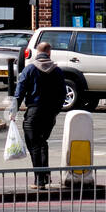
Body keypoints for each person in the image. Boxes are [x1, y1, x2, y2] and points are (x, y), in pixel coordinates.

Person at [14, 41, 66, 188]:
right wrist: (56, 110)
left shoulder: (29, 69)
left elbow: (19, 93)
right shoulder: (57, 71)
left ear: (37, 52)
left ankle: (40, 179)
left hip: (34, 111)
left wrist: (13, 112)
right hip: (50, 112)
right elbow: (63, 94)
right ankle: (44, 176)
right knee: (42, 142)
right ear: (49, 53)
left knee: (34, 144)